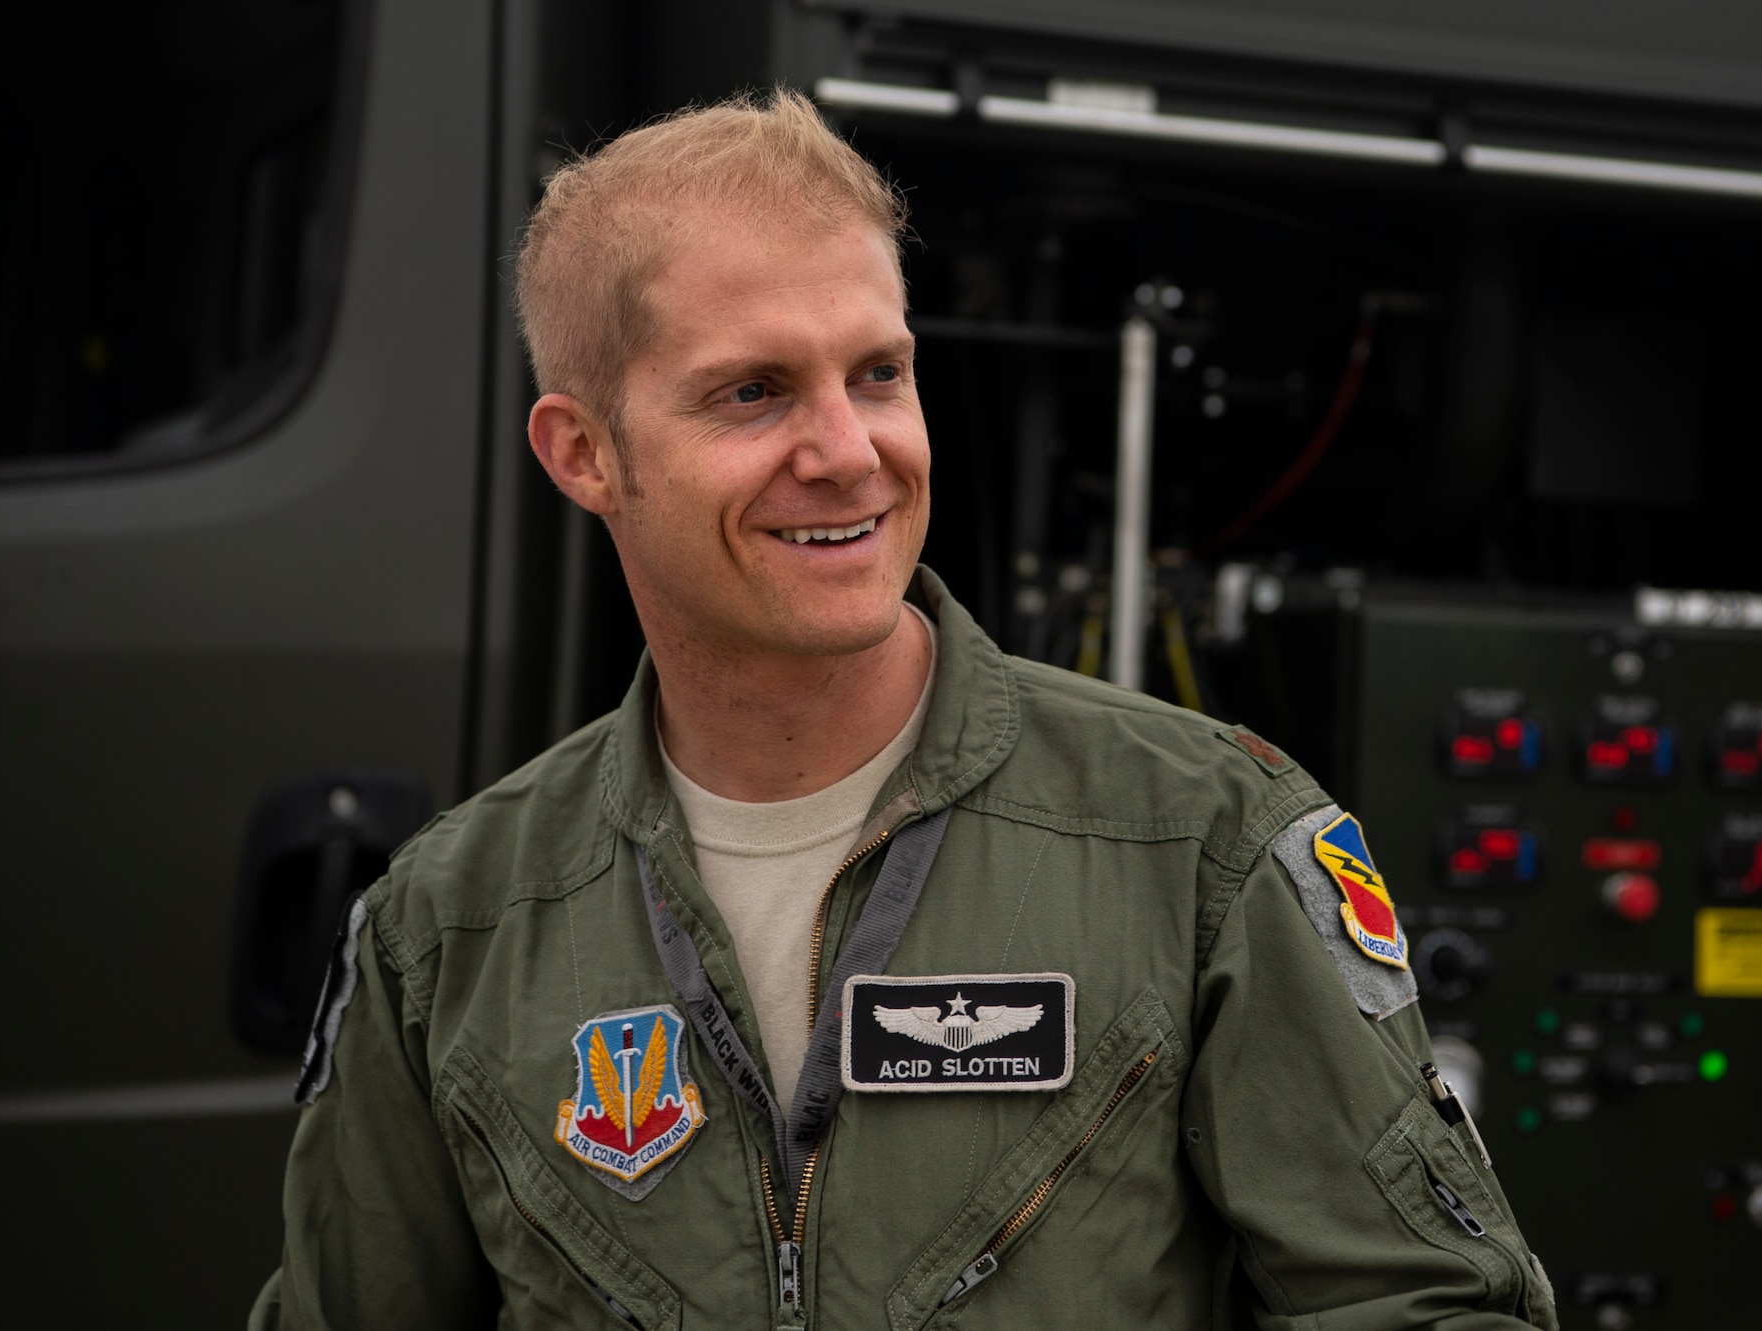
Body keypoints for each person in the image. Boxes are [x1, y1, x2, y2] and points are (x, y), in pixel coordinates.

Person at [252, 89, 1557, 1330]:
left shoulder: (1206, 845)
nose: (850, 451)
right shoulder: (443, 933)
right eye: (753, 391)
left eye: (878, 374)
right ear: (582, 452)